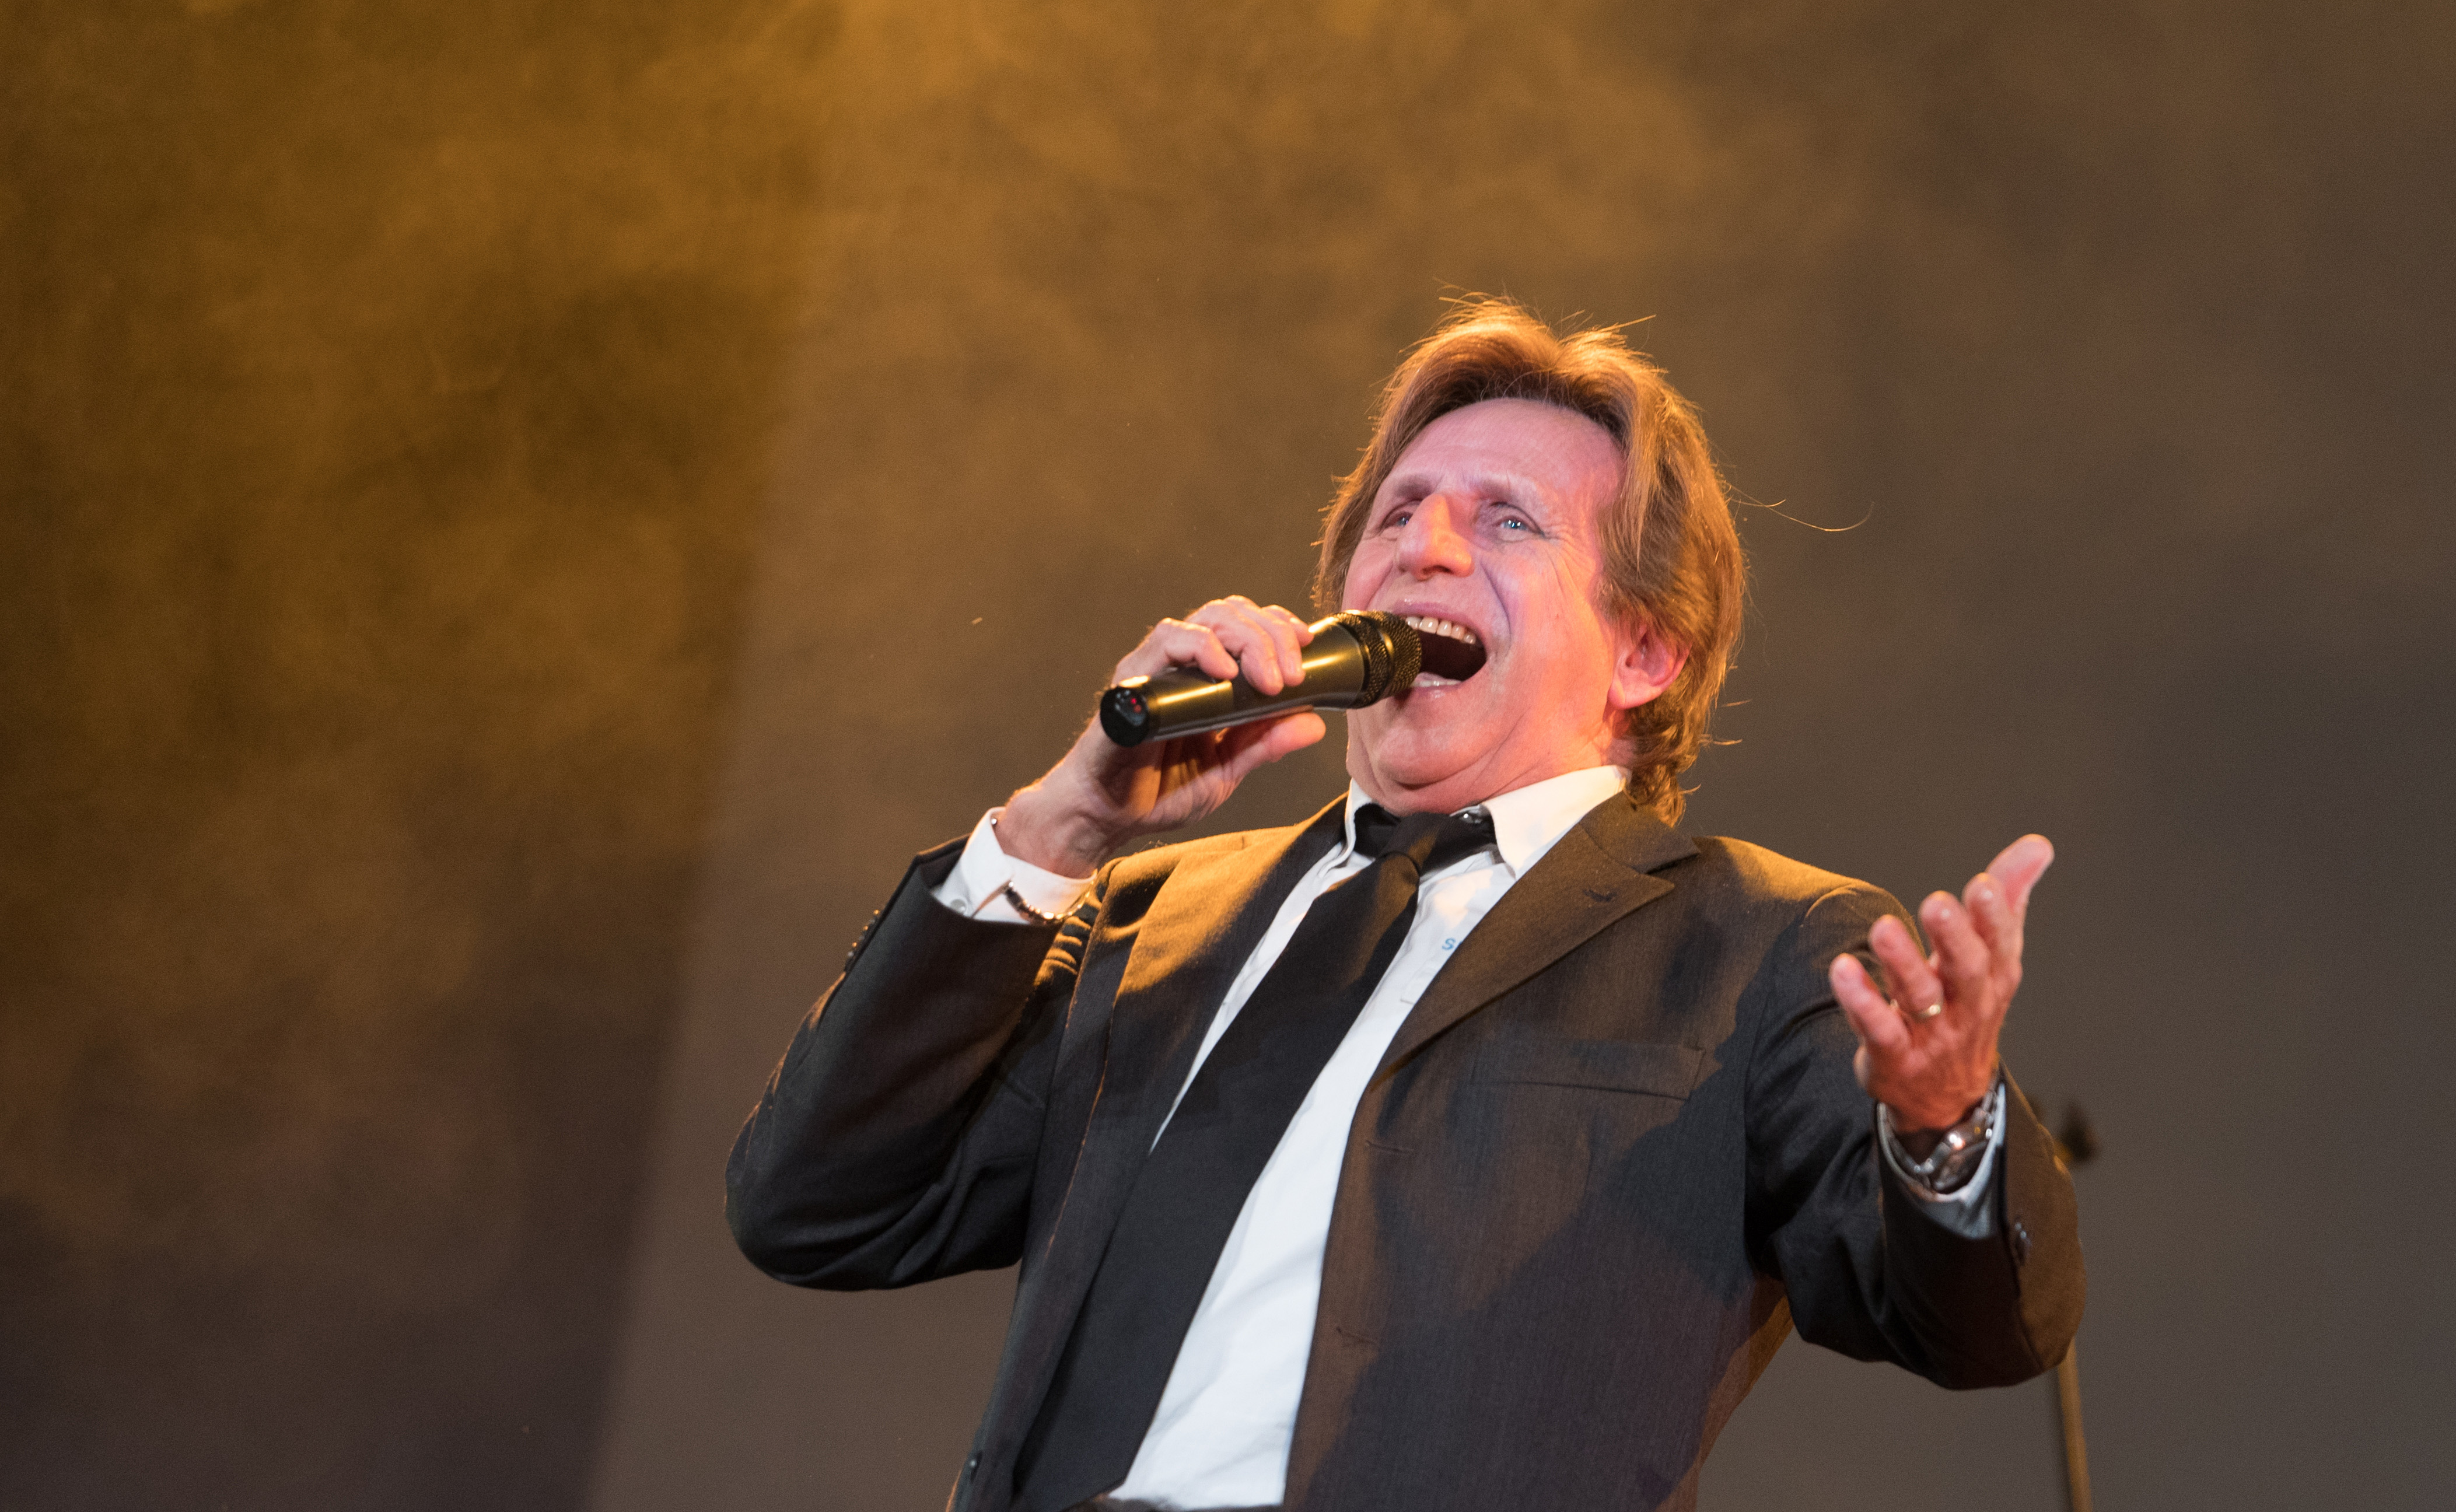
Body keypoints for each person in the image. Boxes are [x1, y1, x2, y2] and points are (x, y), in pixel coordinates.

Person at [727, 299, 2084, 1512]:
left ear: (1643, 651)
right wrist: (1058, 829)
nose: (1423, 547)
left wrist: (1942, 1128)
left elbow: (1979, 1328)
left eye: (1505, 522)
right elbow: (819, 1206)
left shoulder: (1756, 947)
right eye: (1396, 514)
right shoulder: (1150, 915)